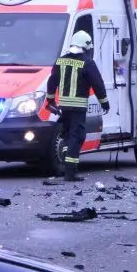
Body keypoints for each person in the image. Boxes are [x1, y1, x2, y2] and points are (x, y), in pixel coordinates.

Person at [46, 30, 111, 181]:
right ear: (85, 46)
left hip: (63, 107)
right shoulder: (87, 62)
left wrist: (50, 100)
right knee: (78, 137)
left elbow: (52, 81)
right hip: (78, 107)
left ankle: (66, 167)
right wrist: (104, 102)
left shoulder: (60, 61)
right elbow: (98, 84)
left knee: (69, 137)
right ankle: (70, 173)